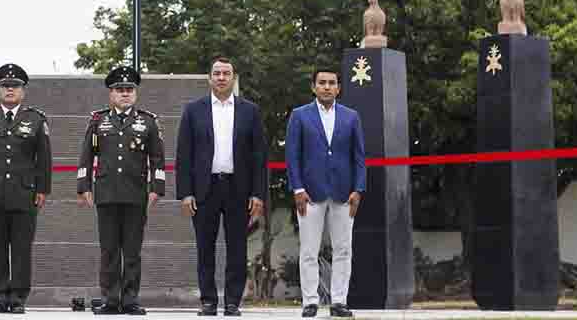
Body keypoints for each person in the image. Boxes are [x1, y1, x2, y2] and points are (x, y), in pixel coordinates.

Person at [175, 57, 267, 316]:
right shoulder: (194, 110)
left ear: (233, 77)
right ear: (209, 78)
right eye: (217, 73)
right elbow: (184, 155)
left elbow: (259, 156)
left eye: (226, 73)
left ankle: (232, 303)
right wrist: (185, 193)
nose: (221, 78)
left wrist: (258, 193)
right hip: (205, 190)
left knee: (237, 248)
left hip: (239, 190)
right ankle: (208, 302)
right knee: (205, 248)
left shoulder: (250, 111)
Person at [77, 66, 166, 315]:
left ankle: (130, 300)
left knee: (132, 251)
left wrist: (156, 188)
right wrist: (83, 186)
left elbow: (157, 159)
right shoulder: (98, 120)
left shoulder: (148, 121)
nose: (124, 94)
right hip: (106, 194)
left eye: (129, 90)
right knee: (109, 250)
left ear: (135, 93)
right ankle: (111, 299)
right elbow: (86, 156)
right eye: (119, 90)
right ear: (111, 93)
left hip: (136, 194)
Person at [0, 63, 52, 314]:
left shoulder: (35, 119)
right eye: (5, 86)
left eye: (15, 86)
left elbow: (44, 159)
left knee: (21, 249)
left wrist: (42, 190)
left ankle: (18, 298)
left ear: (23, 91)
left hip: (24, 194)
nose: (10, 90)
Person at [285, 69, 366, 318]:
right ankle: (310, 301)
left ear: (338, 88)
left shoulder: (351, 117)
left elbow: (359, 157)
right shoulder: (299, 116)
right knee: (309, 250)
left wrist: (358, 189)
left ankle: (339, 302)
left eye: (332, 83)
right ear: (313, 87)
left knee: (344, 250)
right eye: (322, 83)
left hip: (344, 193)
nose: (327, 87)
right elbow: (292, 155)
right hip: (309, 193)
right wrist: (297, 188)